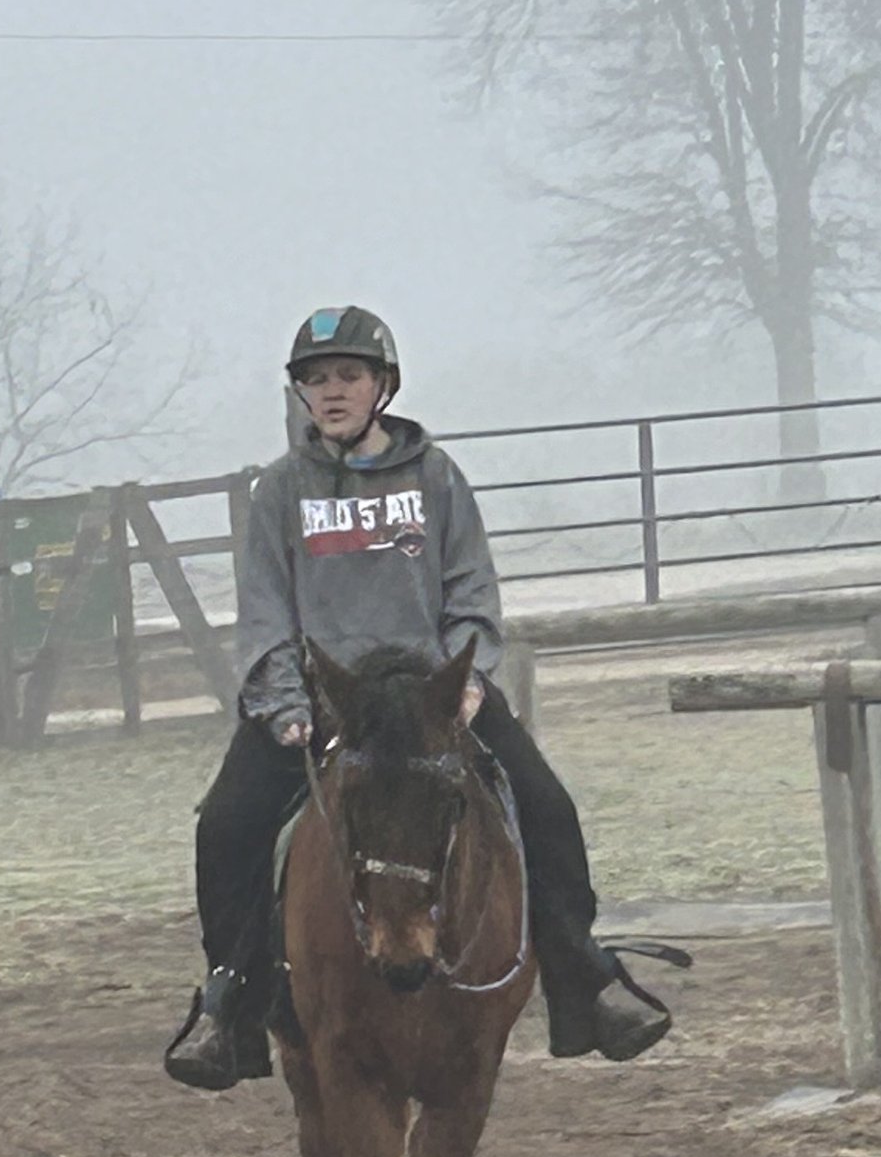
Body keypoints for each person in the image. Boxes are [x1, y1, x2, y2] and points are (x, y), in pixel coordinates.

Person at [163, 303, 679, 1089]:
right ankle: (229, 1003)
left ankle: (585, 977)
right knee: (225, 824)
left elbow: (471, 587)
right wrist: (283, 701)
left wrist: (466, 684)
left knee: (546, 806)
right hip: (323, 700)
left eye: (347, 375)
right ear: (300, 393)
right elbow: (265, 608)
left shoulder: (435, 478)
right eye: (316, 379)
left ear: (382, 385)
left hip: (433, 697)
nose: (331, 391)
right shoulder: (280, 492)